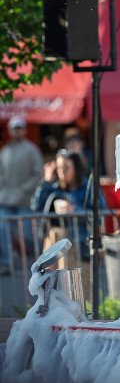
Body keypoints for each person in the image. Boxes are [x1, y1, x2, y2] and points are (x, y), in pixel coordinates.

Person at [0, 116, 44, 271]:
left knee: (28, 236)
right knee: (2, 230)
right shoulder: (5, 151)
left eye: (19, 128)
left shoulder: (32, 150)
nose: (17, 131)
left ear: (24, 130)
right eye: (14, 128)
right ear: (10, 130)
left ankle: (39, 264)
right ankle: (6, 263)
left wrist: (23, 189)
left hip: (24, 202)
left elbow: (38, 174)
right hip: (5, 201)